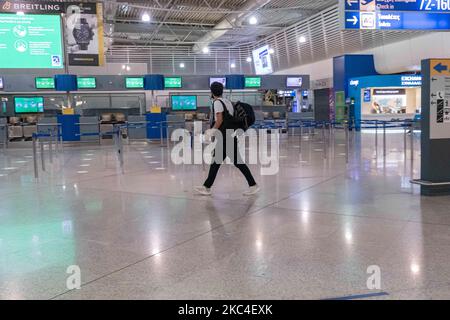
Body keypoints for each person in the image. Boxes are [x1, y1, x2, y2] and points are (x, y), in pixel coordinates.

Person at [194, 82, 260, 196]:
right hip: (228, 134)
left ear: (212, 92)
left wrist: (211, 132)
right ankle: (207, 187)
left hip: (225, 136)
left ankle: (253, 185)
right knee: (216, 162)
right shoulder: (227, 101)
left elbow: (219, 121)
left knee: (237, 162)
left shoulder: (217, 103)